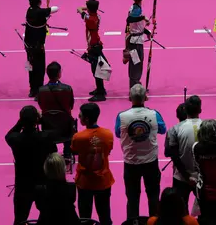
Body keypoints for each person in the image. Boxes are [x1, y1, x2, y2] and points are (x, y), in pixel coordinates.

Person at [116, 84, 167, 220]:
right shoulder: (154, 114)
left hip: (131, 163)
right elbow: (163, 130)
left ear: (129, 97)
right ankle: (154, 221)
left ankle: (132, 222)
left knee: (132, 198)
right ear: (146, 97)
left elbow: (118, 133)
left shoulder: (121, 116)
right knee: (153, 196)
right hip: (150, 161)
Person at [5, 105, 56, 225]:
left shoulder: (15, 139)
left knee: (20, 219)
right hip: (42, 182)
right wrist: (42, 119)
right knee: (47, 217)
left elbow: (9, 135)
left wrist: (21, 122)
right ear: (36, 120)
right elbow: (54, 132)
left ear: (21, 120)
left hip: (23, 184)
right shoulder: (45, 137)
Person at [71, 102, 114, 225]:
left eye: (80, 115)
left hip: (85, 182)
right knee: (105, 216)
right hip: (103, 181)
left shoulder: (78, 137)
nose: (78, 117)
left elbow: (74, 150)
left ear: (86, 119)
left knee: (84, 218)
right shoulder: (108, 134)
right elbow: (108, 150)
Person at [165, 95, 203, 212]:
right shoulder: (208, 126)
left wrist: (187, 176)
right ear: (200, 110)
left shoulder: (174, 129)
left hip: (181, 177)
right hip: (203, 178)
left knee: (179, 213)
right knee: (205, 213)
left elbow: (172, 155)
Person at [24, 0, 59, 98]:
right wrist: (48, 11)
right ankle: (39, 91)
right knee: (39, 69)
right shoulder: (40, 12)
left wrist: (45, 14)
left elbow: (40, 18)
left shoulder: (29, 11)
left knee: (31, 68)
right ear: (39, 1)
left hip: (28, 46)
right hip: (38, 47)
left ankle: (32, 89)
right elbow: (56, 8)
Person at [37, 61, 75, 158]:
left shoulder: (41, 90)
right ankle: (67, 153)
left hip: (47, 125)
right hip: (65, 127)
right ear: (59, 73)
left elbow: (41, 106)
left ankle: (51, 152)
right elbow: (71, 105)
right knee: (70, 121)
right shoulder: (67, 89)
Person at [78, 0, 109, 101]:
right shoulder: (97, 16)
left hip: (94, 47)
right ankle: (100, 89)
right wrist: (89, 7)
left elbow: (79, 9)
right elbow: (85, 11)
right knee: (96, 68)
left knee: (96, 70)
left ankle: (100, 94)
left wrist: (85, 8)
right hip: (96, 45)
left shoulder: (89, 19)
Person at [36, 153, 80, 225]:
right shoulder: (71, 188)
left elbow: (39, 207)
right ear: (63, 169)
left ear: (46, 168)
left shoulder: (40, 190)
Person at [125, 0, 153, 88]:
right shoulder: (135, 9)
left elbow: (135, 26)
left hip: (136, 40)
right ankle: (134, 87)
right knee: (136, 65)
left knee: (137, 64)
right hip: (135, 43)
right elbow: (129, 20)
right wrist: (143, 17)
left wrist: (146, 32)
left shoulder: (136, 8)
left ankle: (135, 84)